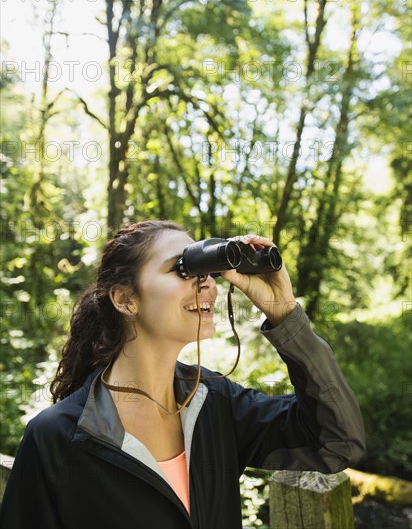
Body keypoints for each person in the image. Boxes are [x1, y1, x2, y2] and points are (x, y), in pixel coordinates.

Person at [0, 220, 365, 529]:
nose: (206, 283)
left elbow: (337, 443)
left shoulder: (217, 403)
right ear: (126, 299)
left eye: (208, 271)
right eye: (183, 269)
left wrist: (285, 314)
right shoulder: (57, 439)